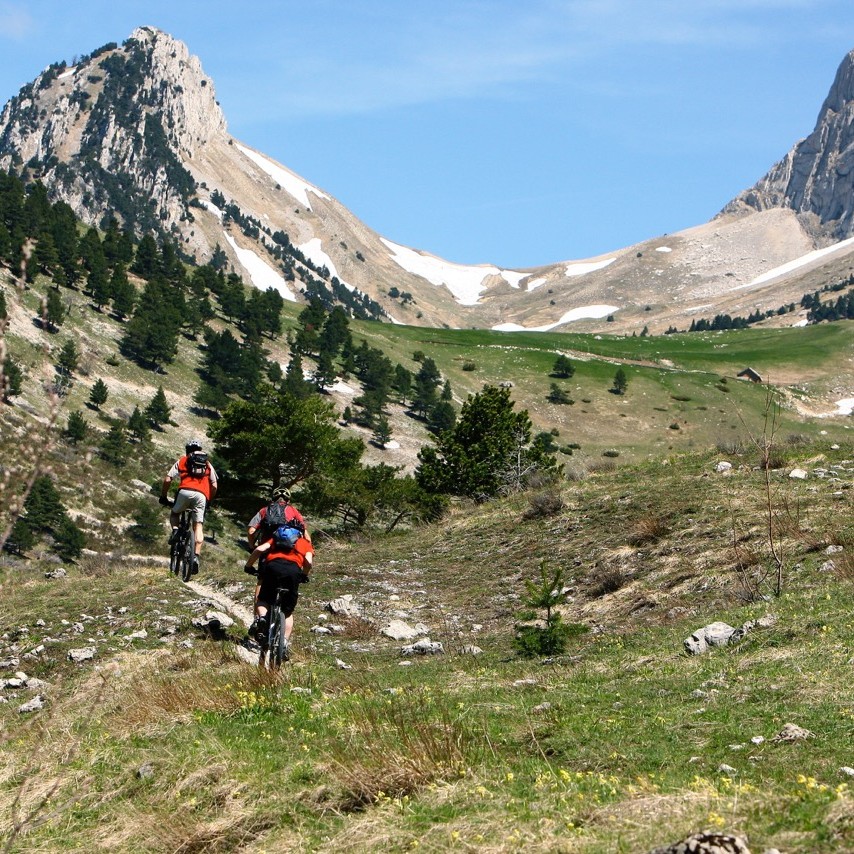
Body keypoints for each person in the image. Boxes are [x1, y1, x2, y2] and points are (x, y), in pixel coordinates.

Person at [244, 524, 313, 658]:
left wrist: (248, 565)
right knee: (287, 612)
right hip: (292, 572)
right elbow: (308, 562)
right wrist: (304, 575)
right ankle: (284, 643)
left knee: (263, 599)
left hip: (272, 568)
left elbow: (259, 549)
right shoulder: (304, 543)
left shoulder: (275, 538)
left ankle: (262, 618)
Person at [159, 438, 217, 574]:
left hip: (184, 491)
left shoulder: (183, 460)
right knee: (198, 526)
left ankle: (175, 530)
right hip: (202, 495)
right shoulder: (207, 463)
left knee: (175, 513)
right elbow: (214, 485)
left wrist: (163, 496)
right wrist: (209, 499)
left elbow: (168, 479)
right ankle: (196, 556)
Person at [247, 486, 310, 550]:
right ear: (288, 501)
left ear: (273, 499)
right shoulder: (293, 510)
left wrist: (252, 547)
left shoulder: (264, 510)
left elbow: (251, 531)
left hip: (267, 547)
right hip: (288, 546)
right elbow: (304, 531)